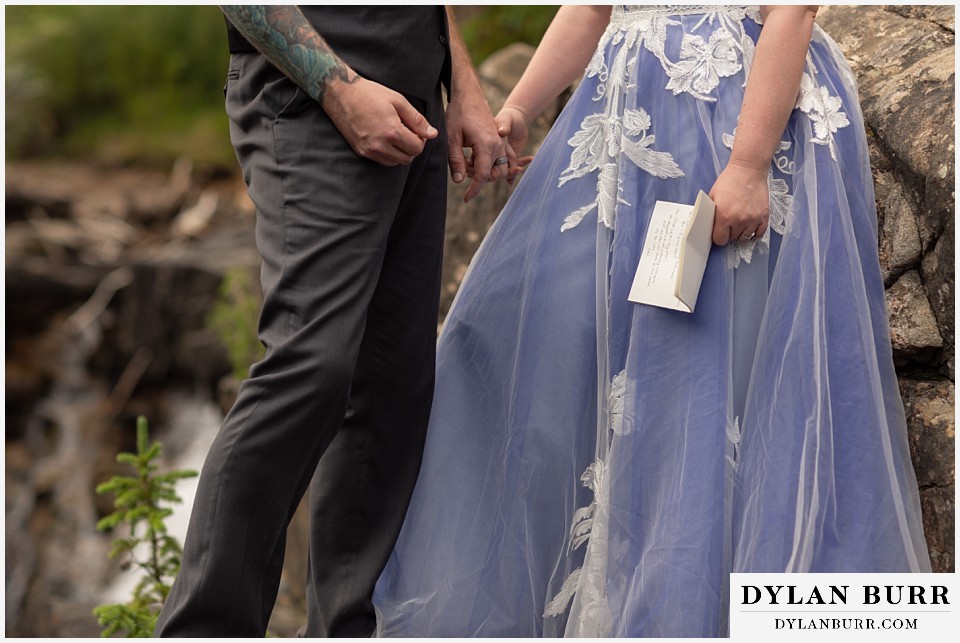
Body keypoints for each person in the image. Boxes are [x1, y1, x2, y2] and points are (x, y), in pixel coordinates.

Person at [373, 5, 931, 638]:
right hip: (620, 123)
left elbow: (792, 8)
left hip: (728, 115)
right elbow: (591, 6)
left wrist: (748, 164)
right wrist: (522, 109)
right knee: (495, 326)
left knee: (700, 369)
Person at [155, 6, 506, 637]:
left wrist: (465, 87)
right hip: (310, 97)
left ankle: (345, 627)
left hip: (416, 104)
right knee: (310, 363)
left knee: (391, 389)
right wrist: (338, 87)